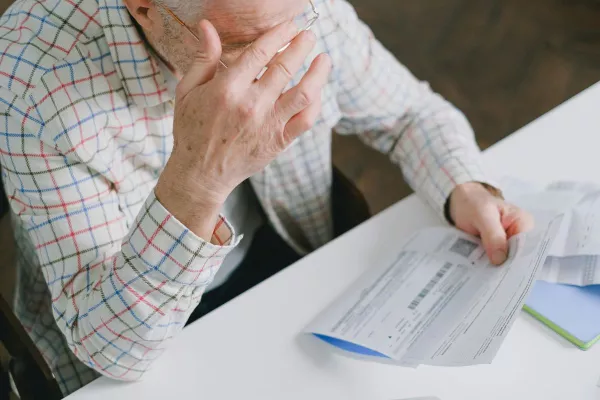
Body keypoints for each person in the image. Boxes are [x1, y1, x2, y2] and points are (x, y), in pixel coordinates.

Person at [0, 0, 532, 395]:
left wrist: (465, 187)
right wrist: (199, 176)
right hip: (126, 349)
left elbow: (412, 114)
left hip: (285, 262)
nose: (282, 61)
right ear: (145, 9)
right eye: (247, 47)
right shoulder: (33, 79)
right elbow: (110, 349)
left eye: (291, 31)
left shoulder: (291, 11)